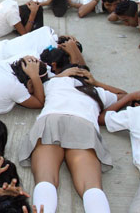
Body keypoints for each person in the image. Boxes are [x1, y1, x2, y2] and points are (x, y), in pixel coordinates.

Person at [18, 68, 127, 213]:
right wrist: (97, 83)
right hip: (83, 125)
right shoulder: (97, 92)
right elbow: (124, 95)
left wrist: (60, 75)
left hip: (51, 122)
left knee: (45, 178)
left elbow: (30, 88)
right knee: (90, 186)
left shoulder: (53, 83)